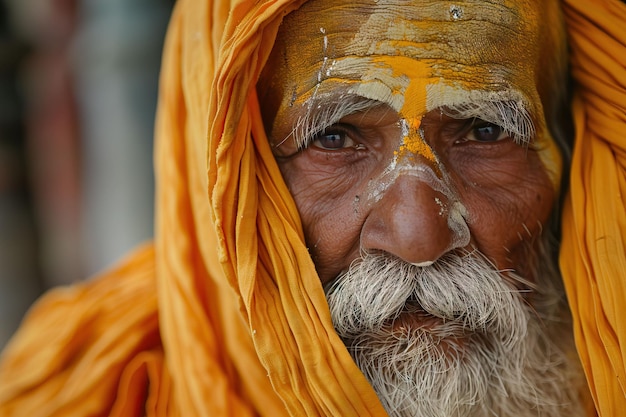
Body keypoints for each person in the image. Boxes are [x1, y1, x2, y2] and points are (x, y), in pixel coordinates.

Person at [0, 0, 623, 416]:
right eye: (334, 138)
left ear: (575, 158)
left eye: (485, 132)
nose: (420, 234)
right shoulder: (78, 394)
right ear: (225, 178)